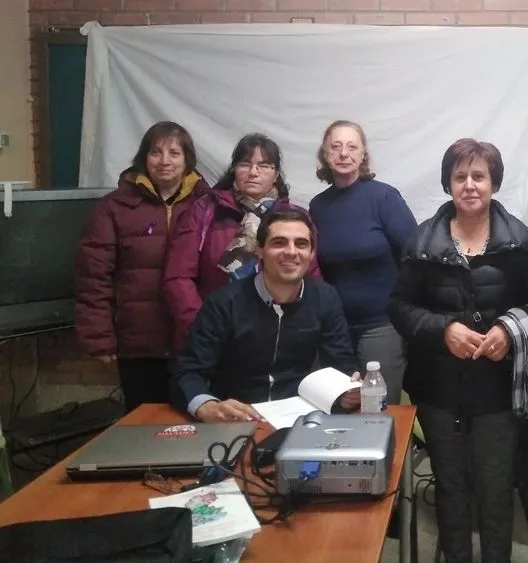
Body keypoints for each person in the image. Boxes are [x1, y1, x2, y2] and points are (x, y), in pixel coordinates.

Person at [389, 138, 528, 563]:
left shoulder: (519, 240)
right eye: (460, 176)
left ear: (494, 183)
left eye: (479, 176)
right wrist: (442, 330)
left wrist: (511, 331)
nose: (470, 185)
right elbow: (399, 307)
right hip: (439, 392)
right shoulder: (422, 241)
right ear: (448, 183)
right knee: (451, 487)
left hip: (498, 391)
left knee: (495, 490)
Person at [170, 206, 359, 422]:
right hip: (235, 417)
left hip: (299, 418)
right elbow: (188, 371)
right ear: (259, 250)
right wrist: (205, 405)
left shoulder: (326, 297)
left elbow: (341, 363)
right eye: (279, 243)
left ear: (312, 254)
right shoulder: (224, 303)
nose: (291, 252)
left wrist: (347, 390)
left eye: (301, 244)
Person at [75, 121, 210, 412]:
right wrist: (99, 336)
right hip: (138, 341)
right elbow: (94, 277)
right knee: (144, 424)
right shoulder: (113, 208)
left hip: (194, 338)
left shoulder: (207, 206)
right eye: (155, 152)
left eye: (174, 153)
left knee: (194, 423)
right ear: (143, 158)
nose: (164, 161)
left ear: (187, 160)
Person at [164, 133, 320, 351]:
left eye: (264, 166)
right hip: (212, 332)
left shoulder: (294, 216)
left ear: (276, 175)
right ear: (235, 170)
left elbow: (311, 279)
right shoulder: (204, 210)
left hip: (277, 336)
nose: (253, 172)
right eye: (245, 164)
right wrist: (202, 326)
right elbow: (178, 277)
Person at [309, 120, 417, 408]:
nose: (344, 153)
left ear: (362, 154)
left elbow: (415, 257)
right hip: (334, 328)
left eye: (352, 146)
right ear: (325, 154)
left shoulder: (384, 197)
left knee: (378, 409)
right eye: (336, 146)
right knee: (338, 408)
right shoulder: (317, 207)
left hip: (382, 325)